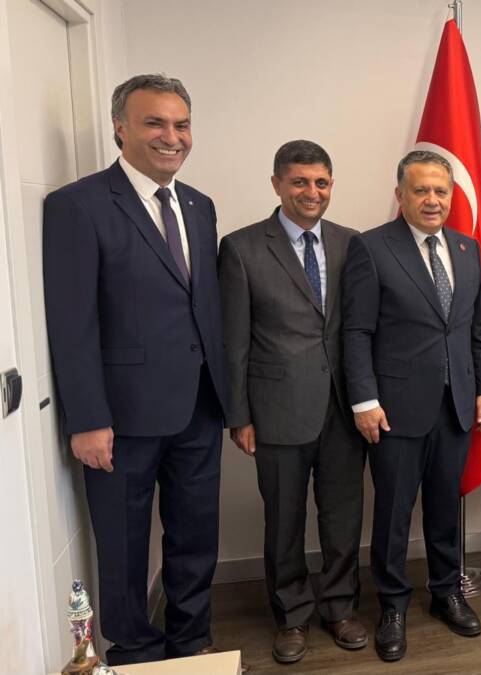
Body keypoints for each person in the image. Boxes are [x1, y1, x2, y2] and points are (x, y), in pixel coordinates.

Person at [42, 74, 231, 665]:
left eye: (181, 124)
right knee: (123, 545)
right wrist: (87, 418)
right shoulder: (77, 206)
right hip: (121, 417)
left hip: (199, 404)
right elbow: (72, 322)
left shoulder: (199, 205)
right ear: (120, 127)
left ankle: (191, 642)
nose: (172, 137)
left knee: (196, 533)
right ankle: (136, 651)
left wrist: (230, 400)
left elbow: (202, 306)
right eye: (155, 123)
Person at [341, 150, 481, 661]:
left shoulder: (468, 248)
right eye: (421, 190)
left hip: (456, 405)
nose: (432, 200)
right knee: (392, 514)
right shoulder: (371, 247)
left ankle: (446, 592)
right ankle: (392, 606)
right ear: (400, 195)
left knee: (446, 507)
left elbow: (477, 328)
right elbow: (357, 331)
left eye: (441, 191)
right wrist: (364, 400)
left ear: (452, 196)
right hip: (394, 408)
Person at [218, 140, 366, 664]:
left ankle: (340, 607)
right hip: (276, 409)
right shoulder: (241, 248)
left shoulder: (352, 243)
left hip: (343, 408)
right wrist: (239, 415)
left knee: (343, 517)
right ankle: (292, 615)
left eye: (321, 182)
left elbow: (360, 329)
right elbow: (234, 341)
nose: (311, 192)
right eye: (300, 181)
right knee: (283, 520)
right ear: (277, 184)